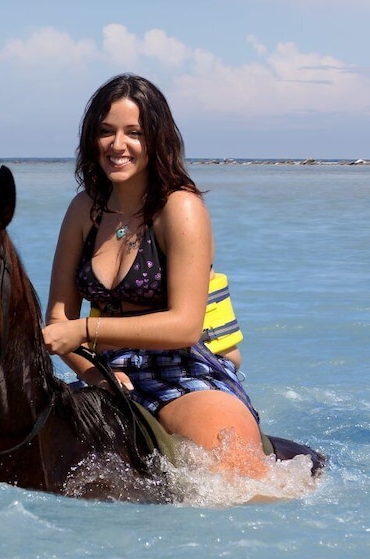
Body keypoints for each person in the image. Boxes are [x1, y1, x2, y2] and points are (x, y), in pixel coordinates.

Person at [42, 73, 268, 478]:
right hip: (109, 373)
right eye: (106, 131)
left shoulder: (180, 208)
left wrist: (86, 331)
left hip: (182, 371)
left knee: (237, 480)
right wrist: (94, 374)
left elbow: (184, 326)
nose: (118, 145)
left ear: (157, 140)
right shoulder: (83, 211)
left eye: (134, 132)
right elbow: (58, 322)